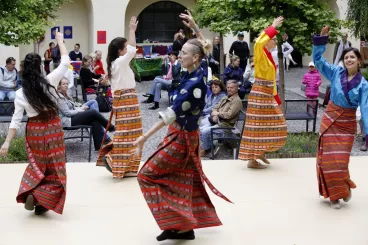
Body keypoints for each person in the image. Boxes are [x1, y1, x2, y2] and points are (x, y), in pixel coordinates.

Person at [134, 10, 231, 242]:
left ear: (193, 58)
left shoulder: (195, 82)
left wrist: (143, 138)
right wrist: (195, 26)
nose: (180, 54)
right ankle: (183, 226)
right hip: (184, 135)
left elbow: (170, 114)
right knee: (180, 178)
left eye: (184, 53)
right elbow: (206, 48)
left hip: (182, 138)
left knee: (146, 175)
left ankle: (176, 221)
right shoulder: (199, 70)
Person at [0, 30, 69, 215]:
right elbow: (65, 62)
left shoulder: (20, 94)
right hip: (53, 128)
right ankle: (40, 196)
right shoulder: (50, 81)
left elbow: (16, 120)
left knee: (37, 165)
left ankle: (35, 196)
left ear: (22, 70)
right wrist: (60, 41)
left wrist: (6, 142)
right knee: (55, 167)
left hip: (35, 131)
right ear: (40, 68)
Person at [313, 26, 368, 209]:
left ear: (359, 61)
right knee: (327, 160)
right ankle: (333, 196)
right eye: (346, 58)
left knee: (341, 161)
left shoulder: (364, 84)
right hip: (330, 119)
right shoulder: (336, 72)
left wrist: (366, 131)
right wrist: (321, 40)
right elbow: (318, 61)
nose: (349, 59)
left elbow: (366, 108)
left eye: (352, 57)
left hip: (347, 124)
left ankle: (343, 187)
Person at [96, 16, 143, 179]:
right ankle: (113, 159)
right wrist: (131, 30)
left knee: (133, 134)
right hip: (125, 100)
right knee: (125, 134)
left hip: (127, 99)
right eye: (125, 47)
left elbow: (130, 50)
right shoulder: (118, 63)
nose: (128, 49)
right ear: (119, 51)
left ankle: (128, 167)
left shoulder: (117, 64)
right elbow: (132, 49)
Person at [239, 16, 287, 169]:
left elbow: (272, 80)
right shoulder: (260, 52)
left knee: (268, 124)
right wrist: (272, 26)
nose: (276, 42)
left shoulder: (267, 55)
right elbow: (259, 42)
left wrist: (275, 96)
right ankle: (252, 160)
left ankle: (259, 152)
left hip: (266, 93)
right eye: (274, 39)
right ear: (267, 40)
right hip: (260, 93)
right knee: (256, 126)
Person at [57, 78, 114, 151]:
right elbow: (67, 113)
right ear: (59, 86)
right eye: (63, 84)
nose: (66, 85)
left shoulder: (65, 95)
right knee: (93, 112)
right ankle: (109, 127)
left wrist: (80, 108)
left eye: (67, 84)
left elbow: (72, 108)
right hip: (68, 121)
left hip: (72, 116)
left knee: (94, 117)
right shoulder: (60, 98)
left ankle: (98, 146)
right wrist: (81, 109)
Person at [199, 80, 243, 157]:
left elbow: (229, 115)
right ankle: (210, 147)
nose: (229, 89)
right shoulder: (226, 97)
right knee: (200, 130)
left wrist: (218, 114)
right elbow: (215, 107)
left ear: (236, 88)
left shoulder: (237, 101)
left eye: (232, 88)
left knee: (205, 131)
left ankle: (207, 149)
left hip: (226, 126)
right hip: (218, 122)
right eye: (228, 87)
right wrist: (215, 114)